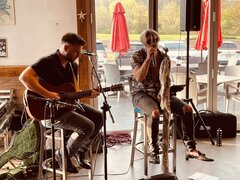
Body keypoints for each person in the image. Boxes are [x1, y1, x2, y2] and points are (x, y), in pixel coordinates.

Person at [19, 33, 103, 173]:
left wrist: (89, 93)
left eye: (80, 52)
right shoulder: (48, 62)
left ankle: (79, 151)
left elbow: (74, 92)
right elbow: (24, 77)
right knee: (87, 126)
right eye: (76, 51)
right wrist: (48, 94)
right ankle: (62, 155)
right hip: (48, 112)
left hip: (66, 107)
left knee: (99, 117)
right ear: (66, 47)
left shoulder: (72, 66)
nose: (78, 55)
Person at [130, 29, 214, 164]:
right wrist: (147, 59)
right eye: (149, 42)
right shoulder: (137, 56)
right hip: (142, 94)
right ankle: (154, 151)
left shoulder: (164, 56)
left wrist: (163, 91)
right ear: (144, 43)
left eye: (155, 41)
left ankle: (190, 147)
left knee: (187, 109)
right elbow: (139, 77)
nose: (153, 44)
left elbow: (165, 80)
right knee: (155, 112)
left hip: (161, 93)